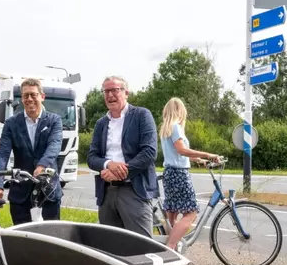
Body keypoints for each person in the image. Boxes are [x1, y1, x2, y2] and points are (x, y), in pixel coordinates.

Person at [87, 75, 158, 238]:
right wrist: (109, 164)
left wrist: (120, 171)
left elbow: (149, 153)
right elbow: (92, 157)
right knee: (110, 246)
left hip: (134, 189)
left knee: (141, 246)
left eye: (115, 90)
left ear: (126, 93)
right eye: (106, 91)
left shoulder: (142, 115)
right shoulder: (101, 123)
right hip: (106, 192)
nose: (110, 95)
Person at [0, 78, 63, 224]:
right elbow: (3, 153)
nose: (29, 99)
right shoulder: (11, 123)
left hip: (48, 191)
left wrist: (42, 165)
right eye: (25, 95)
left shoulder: (54, 120)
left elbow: (54, 145)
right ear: (21, 98)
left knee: (52, 239)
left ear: (42, 96)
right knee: (22, 239)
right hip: (21, 193)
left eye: (33, 95)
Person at [159, 97, 220, 252]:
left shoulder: (166, 128)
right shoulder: (176, 127)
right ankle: (171, 248)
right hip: (179, 174)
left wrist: (198, 160)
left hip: (170, 173)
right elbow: (181, 150)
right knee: (191, 213)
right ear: (180, 111)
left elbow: (177, 153)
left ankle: (167, 245)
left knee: (171, 213)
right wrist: (207, 154)